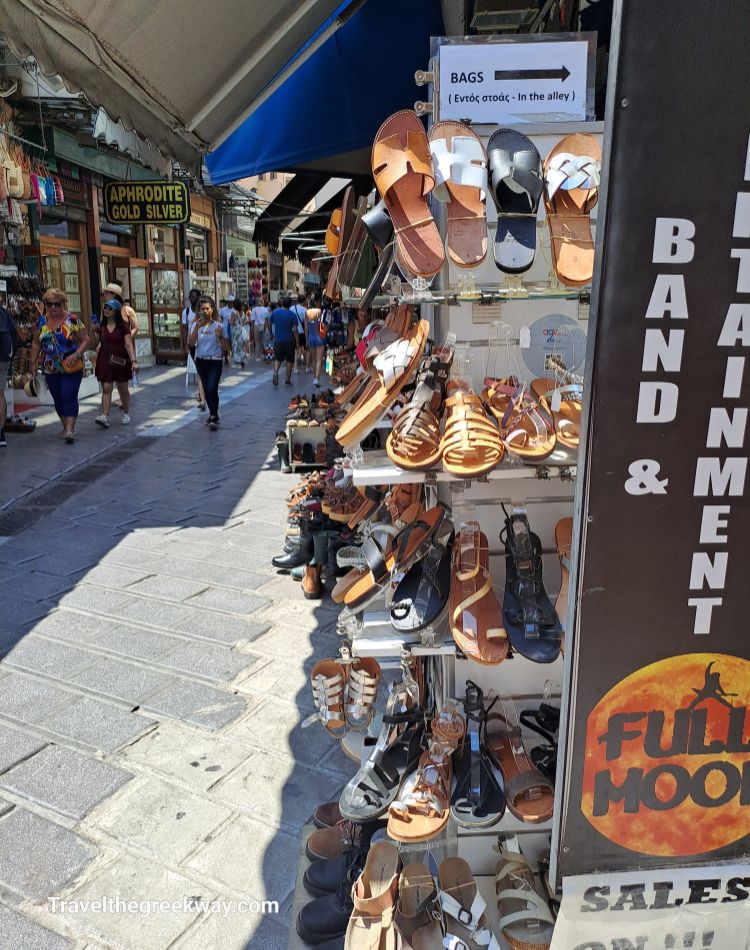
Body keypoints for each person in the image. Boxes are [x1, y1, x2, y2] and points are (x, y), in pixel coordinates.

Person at [30, 288, 90, 443]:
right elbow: (36, 343)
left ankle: (70, 430)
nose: (53, 308)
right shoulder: (41, 322)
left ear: (63, 304)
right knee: (57, 398)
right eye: (49, 304)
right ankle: (65, 427)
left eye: (57, 304)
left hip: (71, 365)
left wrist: (77, 354)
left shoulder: (72, 320)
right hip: (51, 367)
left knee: (67, 395)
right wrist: (32, 361)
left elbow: (85, 339)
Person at [90, 299, 138, 428]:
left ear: (115, 311)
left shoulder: (123, 327)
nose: (106, 310)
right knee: (106, 387)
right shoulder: (101, 327)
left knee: (123, 389)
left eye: (109, 308)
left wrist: (134, 361)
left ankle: (126, 413)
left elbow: (128, 344)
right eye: (105, 307)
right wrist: (93, 330)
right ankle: (105, 416)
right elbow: (94, 343)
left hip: (120, 359)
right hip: (105, 358)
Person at [188, 295, 229, 430]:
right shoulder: (196, 325)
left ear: (212, 310)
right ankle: (213, 415)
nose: (205, 311)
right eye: (202, 309)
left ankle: (213, 414)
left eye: (207, 308)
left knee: (212, 388)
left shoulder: (219, 326)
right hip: (201, 361)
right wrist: (196, 328)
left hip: (215, 361)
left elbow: (227, 347)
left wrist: (220, 336)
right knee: (206, 389)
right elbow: (191, 343)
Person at [182, 288, 206, 410]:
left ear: (198, 297)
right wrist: (185, 343)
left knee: (201, 369)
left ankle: (202, 395)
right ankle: (202, 394)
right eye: (190, 296)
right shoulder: (186, 312)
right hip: (192, 343)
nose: (192, 298)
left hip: (202, 342)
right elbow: (185, 328)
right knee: (199, 368)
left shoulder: (203, 311)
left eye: (194, 296)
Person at [269, 295, 299, 387]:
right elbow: (295, 330)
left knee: (278, 358)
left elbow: (269, 324)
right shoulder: (292, 315)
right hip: (289, 340)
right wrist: (297, 343)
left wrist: (271, 334)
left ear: (282, 303)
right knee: (289, 360)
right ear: (290, 304)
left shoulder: (275, 313)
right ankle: (287, 379)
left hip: (278, 340)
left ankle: (275, 371)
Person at [0, 299, 18, 447]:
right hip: (4, 358)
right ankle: (1, 432)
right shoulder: (4, 312)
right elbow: (15, 333)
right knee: (0, 394)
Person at [306, 301, 327, 387]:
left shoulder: (307, 312)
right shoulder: (320, 312)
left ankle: (314, 376)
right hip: (319, 338)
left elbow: (305, 327)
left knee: (314, 359)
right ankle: (316, 379)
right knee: (319, 360)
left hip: (311, 337)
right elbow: (324, 325)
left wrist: (306, 338)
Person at [290, 294, 308, 374]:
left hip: (293, 331)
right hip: (301, 332)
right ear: (304, 301)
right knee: (306, 348)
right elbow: (306, 324)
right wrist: (306, 335)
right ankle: (307, 367)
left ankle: (295, 368)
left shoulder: (291, 308)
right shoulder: (304, 310)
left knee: (295, 350)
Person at [230, 299, 248, 368]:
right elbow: (244, 321)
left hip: (236, 330)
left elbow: (232, 323)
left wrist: (229, 321)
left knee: (235, 345)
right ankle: (242, 359)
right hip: (242, 330)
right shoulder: (243, 312)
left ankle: (237, 361)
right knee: (241, 345)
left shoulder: (234, 312)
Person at [219, 296, 235, 366]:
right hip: (225, 328)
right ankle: (226, 359)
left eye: (231, 302)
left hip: (233, 329)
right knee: (225, 344)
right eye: (228, 302)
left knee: (233, 344)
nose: (229, 303)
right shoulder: (223, 310)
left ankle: (234, 358)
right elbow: (220, 318)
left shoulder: (235, 310)